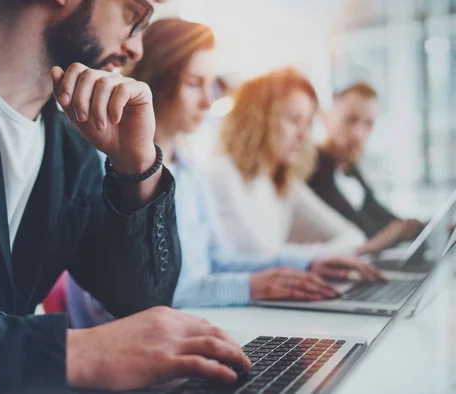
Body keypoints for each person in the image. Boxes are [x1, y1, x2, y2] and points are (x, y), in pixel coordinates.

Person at [0, 0, 252, 392]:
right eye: (133, 14)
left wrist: (139, 167)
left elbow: (144, 302)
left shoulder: (74, 149)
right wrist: (71, 352)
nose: (136, 49)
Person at [58, 19, 384, 329]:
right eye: (193, 84)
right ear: (156, 80)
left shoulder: (191, 171)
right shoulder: (109, 169)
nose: (208, 100)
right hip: (137, 350)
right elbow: (134, 298)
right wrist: (248, 287)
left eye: (211, 85)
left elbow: (218, 259)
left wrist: (305, 265)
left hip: (198, 322)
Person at [208, 68, 394, 264]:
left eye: (306, 124)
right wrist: (320, 256)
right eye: (294, 120)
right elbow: (256, 257)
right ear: (259, 119)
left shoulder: (285, 184)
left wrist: (297, 255)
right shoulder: (222, 174)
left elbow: (354, 238)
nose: (303, 136)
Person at [309, 82, 424, 246]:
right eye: (350, 120)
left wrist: (421, 228)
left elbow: (379, 213)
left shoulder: (350, 169)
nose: (358, 134)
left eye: (368, 124)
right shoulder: (314, 168)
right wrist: (396, 231)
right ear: (327, 119)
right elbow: (356, 227)